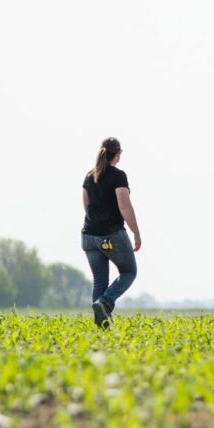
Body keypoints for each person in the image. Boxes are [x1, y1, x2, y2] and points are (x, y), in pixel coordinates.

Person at [81, 137, 142, 327]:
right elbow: (125, 206)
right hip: (112, 235)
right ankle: (105, 303)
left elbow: (86, 206)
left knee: (99, 281)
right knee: (129, 271)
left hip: (89, 236)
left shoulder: (89, 176)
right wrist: (136, 233)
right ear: (117, 155)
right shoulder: (118, 176)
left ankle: (101, 325)